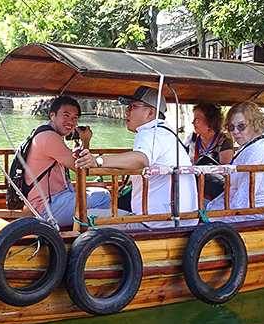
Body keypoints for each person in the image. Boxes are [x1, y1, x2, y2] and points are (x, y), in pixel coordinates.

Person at [75, 86, 197, 228]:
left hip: (157, 224)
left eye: (133, 107)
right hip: (181, 220)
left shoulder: (150, 133)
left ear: (151, 112)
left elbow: (141, 159)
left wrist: (98, 161)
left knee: (84, 217)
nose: (127, 111)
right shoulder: (167, 133)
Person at [23, 96, 112, 227]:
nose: (70, 121)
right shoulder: (50, 137)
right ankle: (90, 234)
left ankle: (85, 230)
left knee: (101, 188)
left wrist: (78, 150)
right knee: (103, 197)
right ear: (52, 115)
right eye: (66, 115)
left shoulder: (44, 133)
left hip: (51, 199)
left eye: (75, 118)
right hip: (47, 207)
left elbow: (76, 163)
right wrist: (86, 140)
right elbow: (83, 169)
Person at [207, 101, 264, 223]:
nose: (235, 132)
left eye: (241, 126)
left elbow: (244, 199)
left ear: (254, 124)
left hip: (255, 216)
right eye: (231, 127)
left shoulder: (258, 151)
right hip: (246, 210)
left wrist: (223, 227)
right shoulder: (253, 144)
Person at [185, 102, 233, 199]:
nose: (193, 122)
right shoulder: (192, 138)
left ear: (209, 120)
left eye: (197, 119)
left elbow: (224, 169)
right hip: (193, 183)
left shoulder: (224, 139)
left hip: (216, 190)